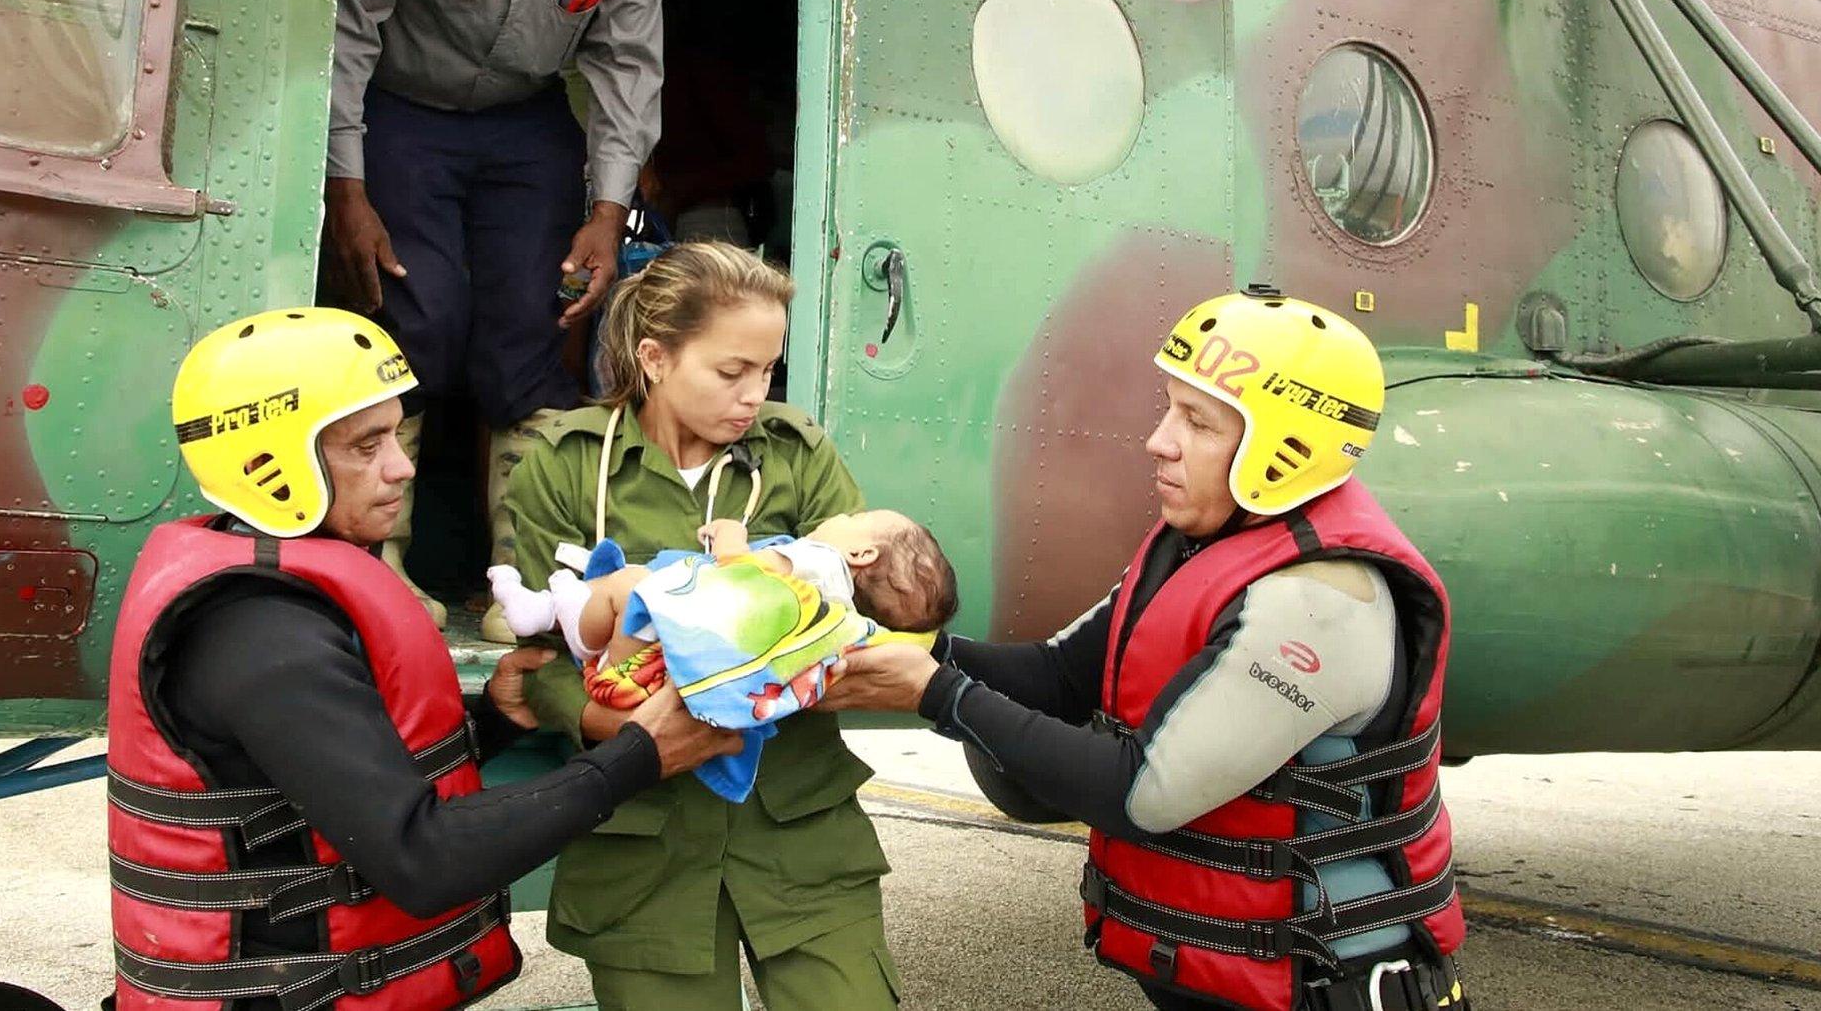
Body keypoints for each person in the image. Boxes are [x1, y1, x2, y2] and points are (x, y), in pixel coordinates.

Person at [824, 287, 1471, 1011]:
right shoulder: (1201, 542)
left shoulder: (1317, 598)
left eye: (1196, 421)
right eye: (1169, 408)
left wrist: (933, 693)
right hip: (1239, 977)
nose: (1159, 439)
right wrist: (904, 644)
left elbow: (1146, 793)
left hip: (1323, 981)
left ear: (1283, 447)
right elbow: (1060, 675)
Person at [104, 308, 740, 1011]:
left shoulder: (269, 587)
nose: (403, 465)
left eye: (397, 433)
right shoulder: (259, 634)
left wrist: (493, 720)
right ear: (269, 464)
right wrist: (639, 755)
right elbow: (424, 858)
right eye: (366, 444)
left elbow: (323, 771)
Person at [322, 0, 707, 631]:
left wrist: (608, 212)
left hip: (526, 120)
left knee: (537, 327)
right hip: (401, 111)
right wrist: (347, 185)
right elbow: (348, 26)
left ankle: (526, 585)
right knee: (416, 314)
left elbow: (626, 58)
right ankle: (378, 577)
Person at [504, 241, 904, 1010]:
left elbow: (851, 616)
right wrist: (623, 726)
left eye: (767, 370)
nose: (755, 394)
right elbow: (541, 663)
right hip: (642, 835)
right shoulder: (564, 464)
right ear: (654, 357)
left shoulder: (795, 455)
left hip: (799, 825)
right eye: (731, 371)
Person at [486, 510, 959, 662]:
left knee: (628, 584)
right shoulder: (840, 614)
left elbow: (740, 571)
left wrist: (730, 532)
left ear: (861, 555)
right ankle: (556, 609)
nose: (842, 515)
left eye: (855, 519)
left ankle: (553, 617)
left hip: (664, 622)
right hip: (685, 648)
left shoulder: (817, 562)